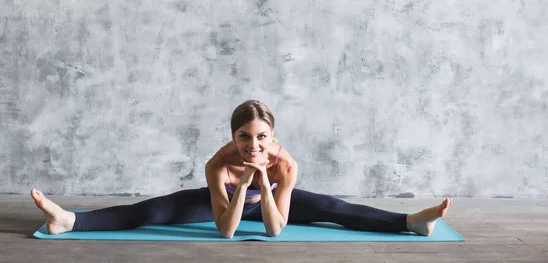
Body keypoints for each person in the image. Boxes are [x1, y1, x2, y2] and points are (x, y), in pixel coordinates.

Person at [31, 100, 452, 238]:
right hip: (232, 203)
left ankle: (411, 222)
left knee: (330, 206)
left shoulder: (286, 165)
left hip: (266, 202)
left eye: (262, 138)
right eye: (244, 138)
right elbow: (228, 232)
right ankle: (69, 220)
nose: (254, 145)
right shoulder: (218, 165)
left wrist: (264, 185)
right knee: (153, 211)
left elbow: (274, 229)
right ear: (234, 139)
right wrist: (245, 182)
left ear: (272, 138)